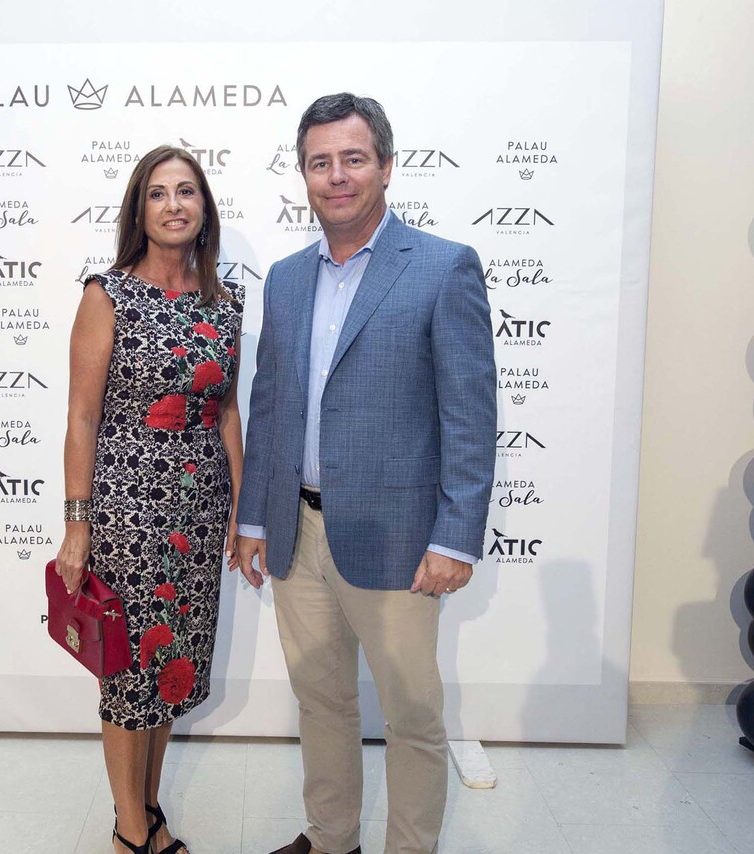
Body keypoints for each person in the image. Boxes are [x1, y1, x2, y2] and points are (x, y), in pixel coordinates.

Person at [235, 94, 496, 854]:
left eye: (353, 159)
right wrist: (254, 518)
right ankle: (332, 839)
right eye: (320, 163)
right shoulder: (286, 279)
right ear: (304, 176)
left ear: (385, 165)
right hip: (297, 531)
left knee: (412, 714)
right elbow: (270, 404)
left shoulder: (443, 267)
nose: (337, 176)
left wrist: (455, 538)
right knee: (321, 701)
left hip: (399, 539)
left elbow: (469, 416)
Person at [55, 145, 245, 854]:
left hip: (198, 508)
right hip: (127, 510)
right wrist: (78, 526)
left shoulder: (224, 303)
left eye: (186, 191)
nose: (173, 205)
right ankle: (130, 832)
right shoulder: (107, 294)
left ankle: (150, 810)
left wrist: (240, 506)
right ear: (139, 210)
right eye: (158, 193)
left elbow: (226, 411)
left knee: (173, 668)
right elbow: (82, 417)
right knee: (128, 670)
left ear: (204, 208)